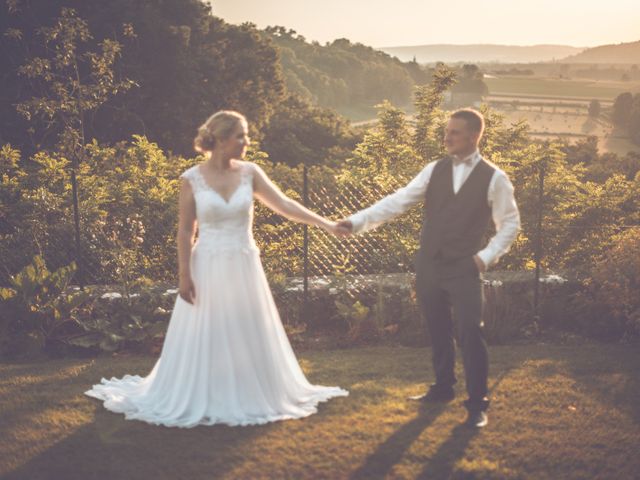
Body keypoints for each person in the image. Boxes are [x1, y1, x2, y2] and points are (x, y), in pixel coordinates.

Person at [85, 110, 349, 427]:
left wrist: (327, 224)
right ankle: (207, 392)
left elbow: (286, 205)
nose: (247, 141)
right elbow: (185, 231)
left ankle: (251, 391)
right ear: (222, 140)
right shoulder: (192, 179)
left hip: (243, 263)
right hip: (207, 264)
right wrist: (185, 275)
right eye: (241, 136)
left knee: (245, 326)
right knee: (208, 329)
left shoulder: (251, 173)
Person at [338, 108, 520, 428]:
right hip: (430, 264)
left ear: (474, 136)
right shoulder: (433, 170)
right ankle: (442, 387)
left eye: (454, 132)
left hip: (465, 266)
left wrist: (485, 257)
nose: (446, 137)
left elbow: (510, 224)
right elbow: (397, 201)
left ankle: (478, 402)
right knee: (437, 328)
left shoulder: (495, 178)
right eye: (446, 131)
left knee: (469, 330)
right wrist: (356, 222)